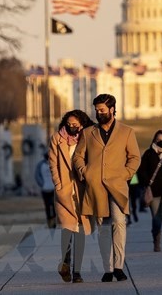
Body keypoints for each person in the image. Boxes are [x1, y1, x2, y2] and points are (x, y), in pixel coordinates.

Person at [73, 94, 141, 283]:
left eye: (102, 110)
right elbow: (78, 156)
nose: (98, 113)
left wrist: (125, 174)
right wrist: (84, 171)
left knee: (119, 223)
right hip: (96, 186)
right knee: (103, 228)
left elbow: (135, 157)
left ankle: (119, 266)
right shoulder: (88, 133)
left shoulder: (127, 132)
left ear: (112, 109)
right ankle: (108, 269)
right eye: (96, 110)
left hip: (118, 186)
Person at [48, 109, 95, 284]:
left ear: (82, 123)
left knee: (80, 231)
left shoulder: (88, 138)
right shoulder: (57, 139)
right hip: (65, 191)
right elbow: (53, 163)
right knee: (67, 229)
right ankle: (65, 262)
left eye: (75, 124)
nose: (71, 127)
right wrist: (59, 185)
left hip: (82, 190)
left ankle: (77, 272)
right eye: (68, 124)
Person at [35, 152, 56, 229]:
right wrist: (42, 184)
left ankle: (53, 222)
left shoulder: (54, 163)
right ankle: (50, 222)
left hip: (53, 189)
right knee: (48, 206)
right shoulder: (41, 165)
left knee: (53, 206)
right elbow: (37, 175)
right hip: (45, 189)